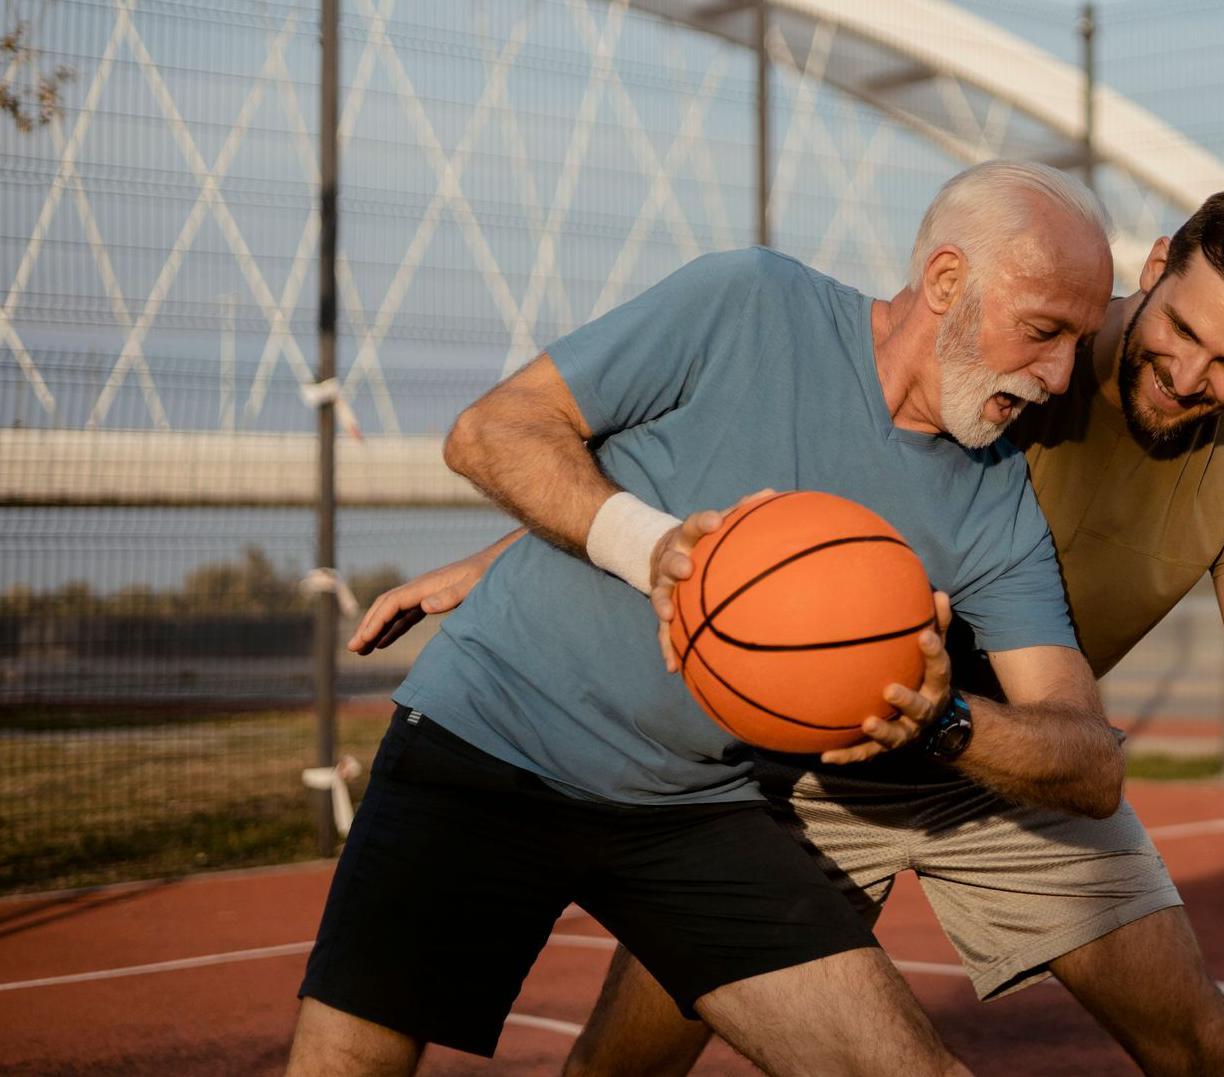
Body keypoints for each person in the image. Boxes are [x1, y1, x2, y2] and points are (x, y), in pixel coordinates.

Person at [352, 188, 1224, 1076]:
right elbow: (770, 502)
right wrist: (516, 555)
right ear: (1156, 261)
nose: (1187, 375)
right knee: (625, 1062)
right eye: (1180, 330)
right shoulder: (1022, 341)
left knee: (1203, 1044)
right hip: (816, 749)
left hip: (1006, 760)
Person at [290, 160, 1123, 1077]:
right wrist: (652, 549)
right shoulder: (750, 302)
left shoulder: (993, 499)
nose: (1057, 374)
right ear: (946, 281)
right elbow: (492, 431)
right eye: (1044, 331)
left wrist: (944, 720)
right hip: (487, 741)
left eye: (1078, 342)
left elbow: (1091, 760)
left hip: (692, 808)